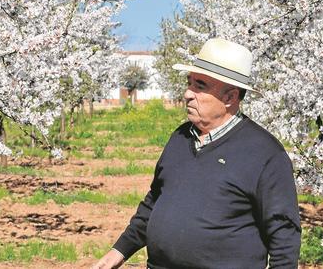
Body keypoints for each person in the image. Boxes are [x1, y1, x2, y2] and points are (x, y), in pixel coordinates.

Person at [92, 38, 301, 268]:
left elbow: (284, 236)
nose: (187, 94)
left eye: (200, 86)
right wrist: (119, 251)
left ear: (230, 97)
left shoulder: (265, 154)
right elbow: (154, 201)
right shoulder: (180, 138)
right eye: (189, 83)